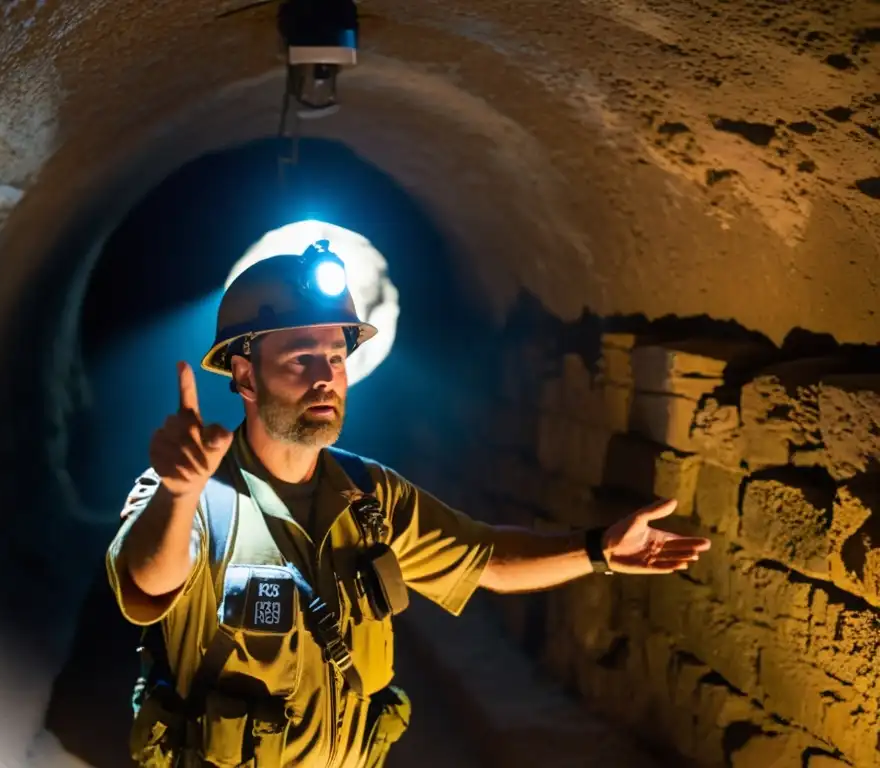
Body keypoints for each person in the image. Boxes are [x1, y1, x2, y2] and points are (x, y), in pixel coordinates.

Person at [106, 241, 712, 768]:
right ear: (244, 374)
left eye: (337, 358)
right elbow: (146, 586)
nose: (326, 377)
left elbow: (488, 558)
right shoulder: (191, 495)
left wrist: (597, 549)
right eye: (300, 359)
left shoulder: (372, 497)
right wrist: (180, 493)